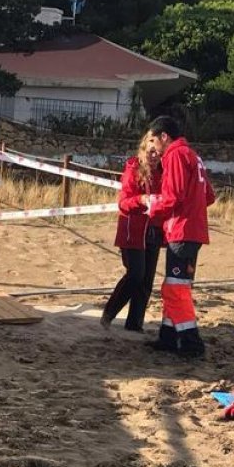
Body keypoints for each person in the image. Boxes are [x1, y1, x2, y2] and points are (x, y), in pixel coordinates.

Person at [144, 116, 215, 357]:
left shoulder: (174, 155)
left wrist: (154, 210)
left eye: (153, 140)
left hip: (181, 230)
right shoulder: (193, 155)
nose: (152, 147)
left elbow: (173, 196)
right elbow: (209, 196)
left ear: (165, 136)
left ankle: (190, 341)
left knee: (176, 288)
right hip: (192, 230)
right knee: (176, 285)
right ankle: (168, 335)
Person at [100, 132, 163, 332]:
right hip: (132, 231)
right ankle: (109, 312)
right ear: (144, 148)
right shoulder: (133, 168)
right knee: (136, 274)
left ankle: (134, 324)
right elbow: (123, 203)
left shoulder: (163, 172)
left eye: (159, 153)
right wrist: (142, 201)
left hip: (153, 230)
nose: (155, 156)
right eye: (151, 151)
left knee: (146, 281)